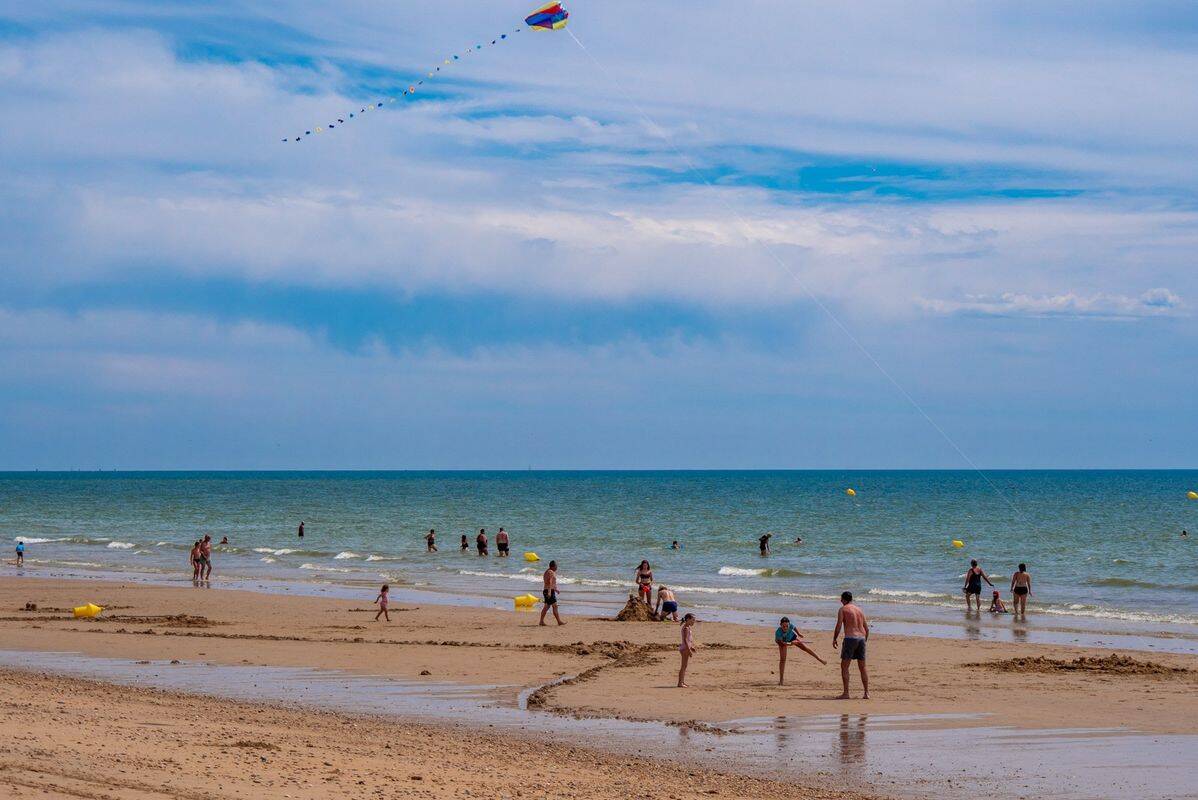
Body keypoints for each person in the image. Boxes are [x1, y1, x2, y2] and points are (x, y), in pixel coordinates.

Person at [832, 591, 869, 700]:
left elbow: (838, 625)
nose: (840, 601)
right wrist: (864, 641)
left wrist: (834, 638)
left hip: (850, 638)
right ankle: (866, 693)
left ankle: (846, 693)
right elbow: (866, 629)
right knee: (862, 667)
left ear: (844, 599)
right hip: (861, 638)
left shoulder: (843, 609)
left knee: (844, 667)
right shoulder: (859, 610)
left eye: (841, 599)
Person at [775, 616, 826, 685]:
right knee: (783, 660)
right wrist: (791, 644)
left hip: (791, 637)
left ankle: (819, 659)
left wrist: (798, 634)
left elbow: (794, 628)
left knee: (805, 648)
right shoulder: (778, 632)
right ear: (780, 625)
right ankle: (781, 680)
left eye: (787, 626)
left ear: (789, 624)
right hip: (782, 642)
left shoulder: (790, 626)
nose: (785, 628)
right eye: (783, 626)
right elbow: (783, 643)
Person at [539, 560, 564, 626]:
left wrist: (555, 590)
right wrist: (550, 592)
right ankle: (559, 622)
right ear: (553, 566)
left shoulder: (547, 571)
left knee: (547, 607)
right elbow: (550, 582)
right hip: (548, 591)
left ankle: (541, 621)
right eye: (556, 566)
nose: (557, 567)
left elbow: (549, 582)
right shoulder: (551, 572)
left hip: (546, 590)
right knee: (554, 606)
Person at [677, 613, 697, 687]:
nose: (694, 622)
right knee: (683, 666)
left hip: (686, 648)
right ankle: (680, 683)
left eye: (694, 620)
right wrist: (689, 650)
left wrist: (691, 647)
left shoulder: (688, 627)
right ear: (688, 619)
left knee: (685, 666)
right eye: (693, 620)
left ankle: (682, 682)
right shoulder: (686, 628)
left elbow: (688, 640)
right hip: (685, 649)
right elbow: (685, 640)